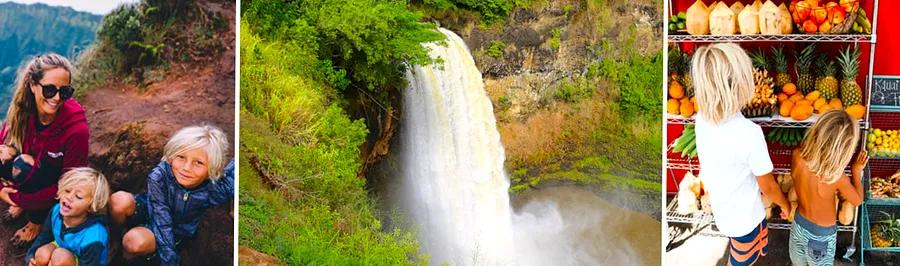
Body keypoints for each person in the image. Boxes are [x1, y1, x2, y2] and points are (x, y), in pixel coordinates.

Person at [691, 42, 791, 266]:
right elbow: (768, 186)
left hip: (725, 209)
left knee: (741, 256)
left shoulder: (702, 118)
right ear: (738, 86)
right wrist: (785, 204)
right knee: (741, 262)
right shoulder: (749, 134)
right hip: (746, 219)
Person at [107, 125, 233, 265]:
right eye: (181, 157)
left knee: (133, 241)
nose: (186, 168)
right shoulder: (159, 176)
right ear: (171, 156)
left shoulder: (213, 189)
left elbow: (235, 174)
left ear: (212, 169)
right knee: (119, 200)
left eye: (198, 163)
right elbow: (161, 217)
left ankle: (129, 257)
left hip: (175, 230)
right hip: (151, 210)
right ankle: (114, 237)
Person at [0, 53, 89, 246]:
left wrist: (19, 199)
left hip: (53, 186)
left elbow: (69, 185)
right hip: (31, 176)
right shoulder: (22, 110)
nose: (57, 98)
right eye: (49, 90)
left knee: (23, 165)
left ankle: (36, 222)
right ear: (33, 85)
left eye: (64, 92)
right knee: (4, 153)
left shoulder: (76, 130)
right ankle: (23, 200)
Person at [789, 109, 867, 266]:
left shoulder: (797, 155)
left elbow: (794, 176)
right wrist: (856, 171)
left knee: (797, 263)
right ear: (844, 150)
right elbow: (857, 200)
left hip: (798, 224)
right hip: (821, 236)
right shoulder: (837, 177)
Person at [25, 167, 111, 266]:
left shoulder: (94, 237)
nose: (69, 197)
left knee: (60, 258)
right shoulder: (56, 211)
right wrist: (30, 255)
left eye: (78, 196)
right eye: (67, 190)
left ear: (91, 206)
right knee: (41, 255)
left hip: (83, 262)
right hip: (62, 248)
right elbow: (44, 236)